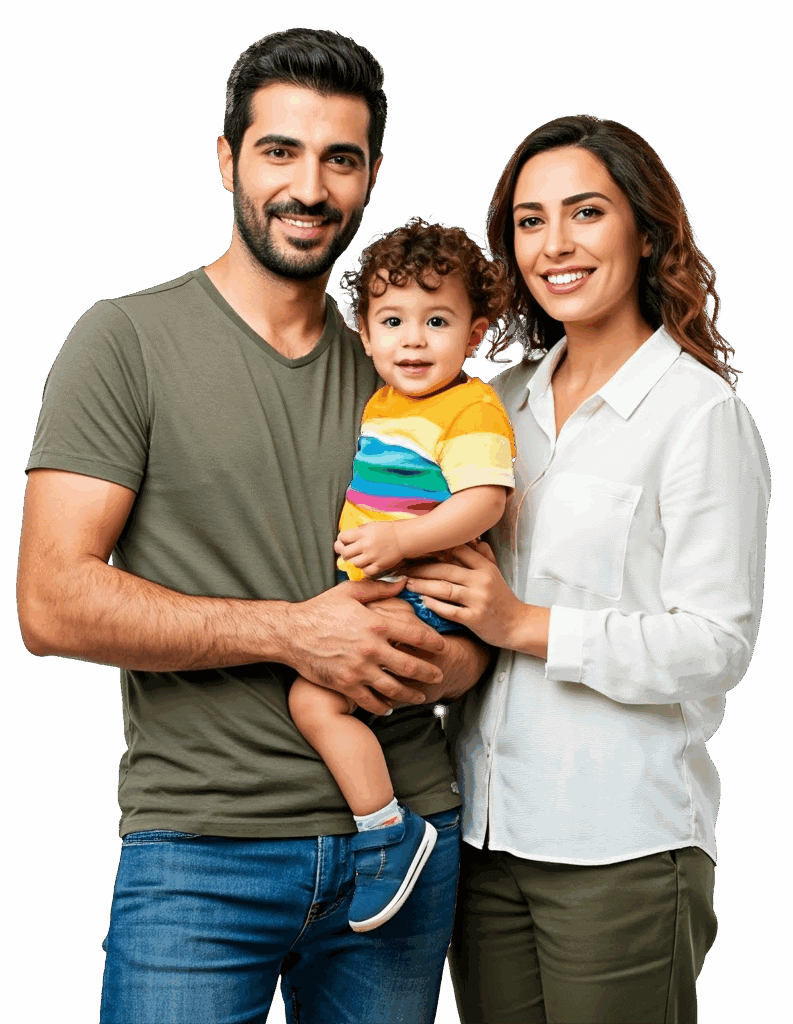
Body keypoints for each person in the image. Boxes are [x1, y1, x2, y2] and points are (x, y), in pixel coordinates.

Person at [16, 28, 490, 1024]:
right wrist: (291, 629)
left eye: (340, 159)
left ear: (368, 178)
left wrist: (448, 661)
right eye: (281, 150)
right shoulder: (127, 340)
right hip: (199, 849)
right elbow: (51, 601)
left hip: (405, 840)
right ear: (227, 157)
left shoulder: (411, 362)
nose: (310, 187)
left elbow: (471, 617)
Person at [406, 115, 771, 1024]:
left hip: (621, 846)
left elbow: (716, 643)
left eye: (584, 213)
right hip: (483, 835)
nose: (554, 245)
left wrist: (521, 623)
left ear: (646, 233)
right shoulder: (492, 405)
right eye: (529, 221)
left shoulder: (696, 415)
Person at [288, 217, 516, 933]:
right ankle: (382, 823)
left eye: (436, 320)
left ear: (474, 334)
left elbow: (484, 500)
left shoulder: (469, 404)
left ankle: (386, 831)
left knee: (312, 701)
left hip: (422, 592)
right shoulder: (388, 399)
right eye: (392, 320)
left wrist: (403, 541)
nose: (412, 340)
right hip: (390, 582)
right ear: (364, 331)